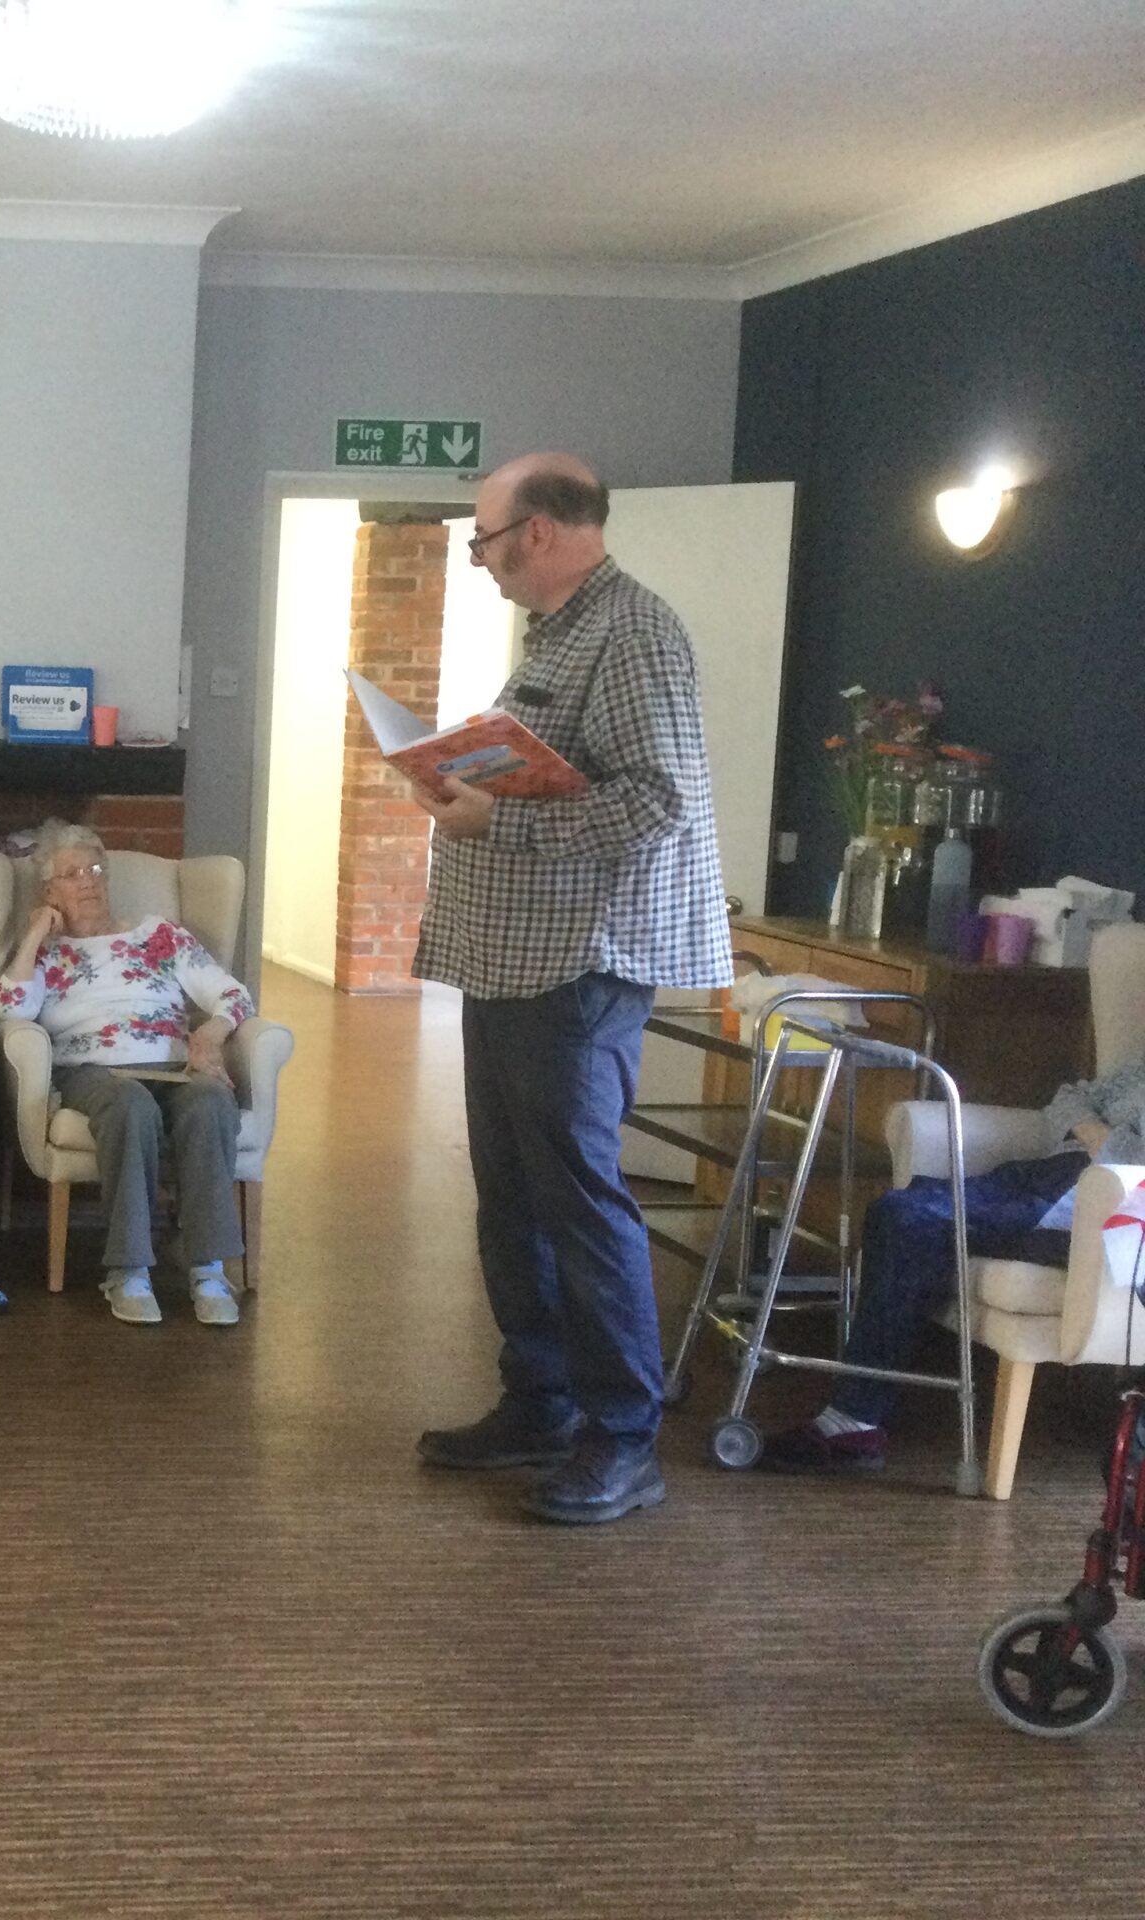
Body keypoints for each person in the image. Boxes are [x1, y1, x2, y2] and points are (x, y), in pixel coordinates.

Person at [410, 452, 732, 1525]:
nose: (483, 562)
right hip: (512, 958)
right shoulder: (557, 633)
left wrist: (498, 816)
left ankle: (623, 1437)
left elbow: (659, 803)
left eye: (486, 541)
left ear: (538, 533)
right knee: (512, 1197)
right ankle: (538, 1400)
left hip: (581, 963)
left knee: (580, 1203)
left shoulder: (633, 630)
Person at [764, 1055, 1145, 1470]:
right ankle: (866, 1405)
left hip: (1092, 1204)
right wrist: (1096, 1132)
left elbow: (1129, 1157)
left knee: (906, 1217)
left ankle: (855, 1421)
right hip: (1049, 1173)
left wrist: (1101, 1139)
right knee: (901, 1209)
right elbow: (1069, 1097)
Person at [0, 822, 260, 1327]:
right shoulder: (46, 955)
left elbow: (232, 993)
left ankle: (207, 1266)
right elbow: (10, 1008)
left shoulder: (159, 935)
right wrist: (33, 934)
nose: (89, 881)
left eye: (95, 870)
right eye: (72, 874)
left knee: (210, 1103)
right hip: (95, 1071)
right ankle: (128, 1268)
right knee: (129, 1106)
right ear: (49, 892)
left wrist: (213, 1033)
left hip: (174, 1062)